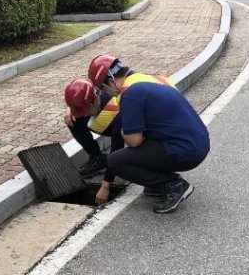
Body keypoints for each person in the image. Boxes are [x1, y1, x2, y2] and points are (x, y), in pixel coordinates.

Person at [88, 55, 210, 214]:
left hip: (186, 151)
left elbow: (134, 141)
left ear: (110, 81)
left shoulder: (130, 95)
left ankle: (173, 184)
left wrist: (125, 131)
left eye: (103, 89)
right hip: (199, 142)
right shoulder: (148, 79)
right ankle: (158, 184)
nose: (106, 94)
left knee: (115, 161)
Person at [64, 78, 125, 205]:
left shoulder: (115, 111)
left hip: (119, 125)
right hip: (102, 116)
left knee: (122, 160)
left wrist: (105, 186)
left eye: (85, 110)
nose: (84, 114)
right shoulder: (91, 90)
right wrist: (70, 109)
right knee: (72, 119)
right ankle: (97, 158)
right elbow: (78, 98)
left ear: (96, 99)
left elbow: (116, 150)